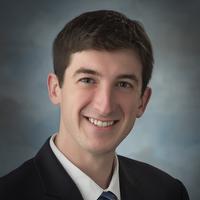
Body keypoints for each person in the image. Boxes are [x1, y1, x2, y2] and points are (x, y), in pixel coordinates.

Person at [0, 10, 189, 200]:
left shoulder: (169, 192)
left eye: (123, 84)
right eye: (88, 80)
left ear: (142, 101)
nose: (104, 106)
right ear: (55, 88)